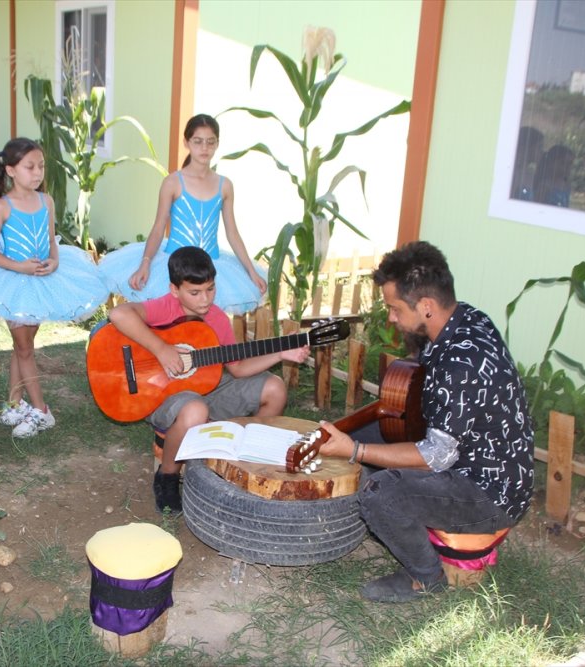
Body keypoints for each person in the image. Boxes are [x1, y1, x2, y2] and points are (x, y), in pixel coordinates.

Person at [316, 241, 533, 603]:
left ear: (427, 306)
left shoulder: (460, 365)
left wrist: (355, 450)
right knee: (368, 433)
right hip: (472, 458)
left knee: (380, 493)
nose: (391, 318)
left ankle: (425, 578)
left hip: (489, 494)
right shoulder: (468, 319)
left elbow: (435, 456)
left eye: (395, 309)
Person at [108, 246, 309, 513]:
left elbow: (237, 368)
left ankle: (243, 461)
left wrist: (280, 353)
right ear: (174, 289)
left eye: (210, 289)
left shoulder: (217, 318)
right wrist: (161, 348)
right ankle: (167, 476)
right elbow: (118, 314)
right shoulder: (164, 307)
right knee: (195, 409)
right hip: (159, 394)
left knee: (275, 388)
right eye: (195, 292)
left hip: (207, 386)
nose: (205, 299)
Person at [0, 138, 110, 437]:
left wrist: (54, 261)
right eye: (30, 167)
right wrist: (20, 267)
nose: (38, 172)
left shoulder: (46, 201)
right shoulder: (1, 207)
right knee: (25, 348)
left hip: (42, 283)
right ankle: (42, 411)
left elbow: (52, 241)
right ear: (11, 170)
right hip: (12, 282)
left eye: (41, 166)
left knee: (23, 347)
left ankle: (15, 403)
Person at [98, 113, 267, 315]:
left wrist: (250, 271)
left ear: (217, 144)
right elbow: (158, 227)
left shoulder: (225, 186)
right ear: (186, 142)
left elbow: (233, 233)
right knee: (172, 320)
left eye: (210, 142)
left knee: (204, 322)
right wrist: (145, 263)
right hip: (175, 263)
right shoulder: (173, 182)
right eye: (198, 141)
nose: (204, 148)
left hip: (210, 265)